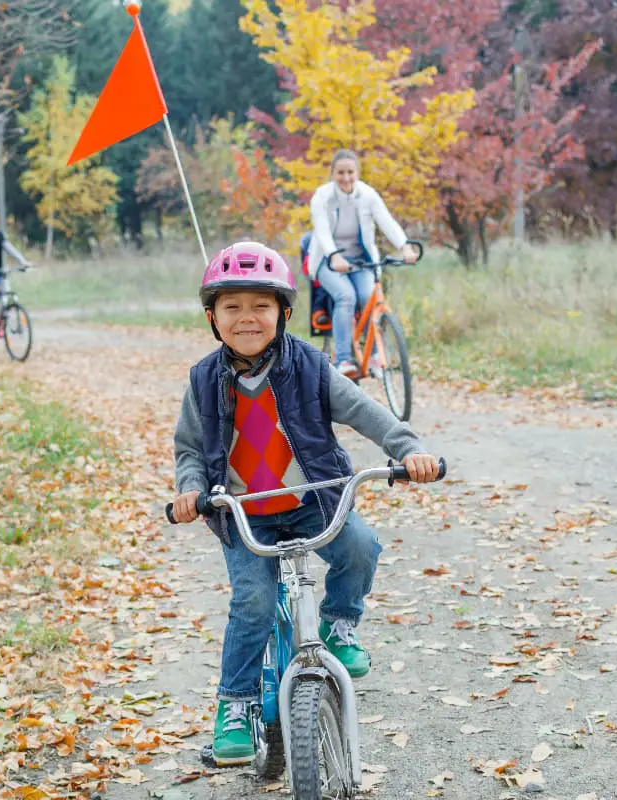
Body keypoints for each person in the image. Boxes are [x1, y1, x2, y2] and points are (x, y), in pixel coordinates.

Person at [170, 241, 440, 766]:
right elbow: (189, 448)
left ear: (283, 313)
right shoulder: (203, 381)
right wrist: (189, 489)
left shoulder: (311, 368)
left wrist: (409, 450)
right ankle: (236, 705)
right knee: (251, 602)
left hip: (312, 499)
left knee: (360, 545)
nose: (247, 318)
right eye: (232, 307)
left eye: (260, 306)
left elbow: (363, 410)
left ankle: (339, 624)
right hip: (243, 513)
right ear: (211, 317)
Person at [307, 149, 421, 378]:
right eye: (341, 172)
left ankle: (377, 357)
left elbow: (387, 222)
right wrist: (333, 256)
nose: (346, 178)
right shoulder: (322, 197)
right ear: (332, 174)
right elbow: (321, 232)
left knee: (369, 297)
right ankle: (343, 360)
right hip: (327, 260)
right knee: (345, 296)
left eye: (350, 172)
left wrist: (405, 246)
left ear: (357, 173)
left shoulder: (368, 195)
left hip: (361, 260)